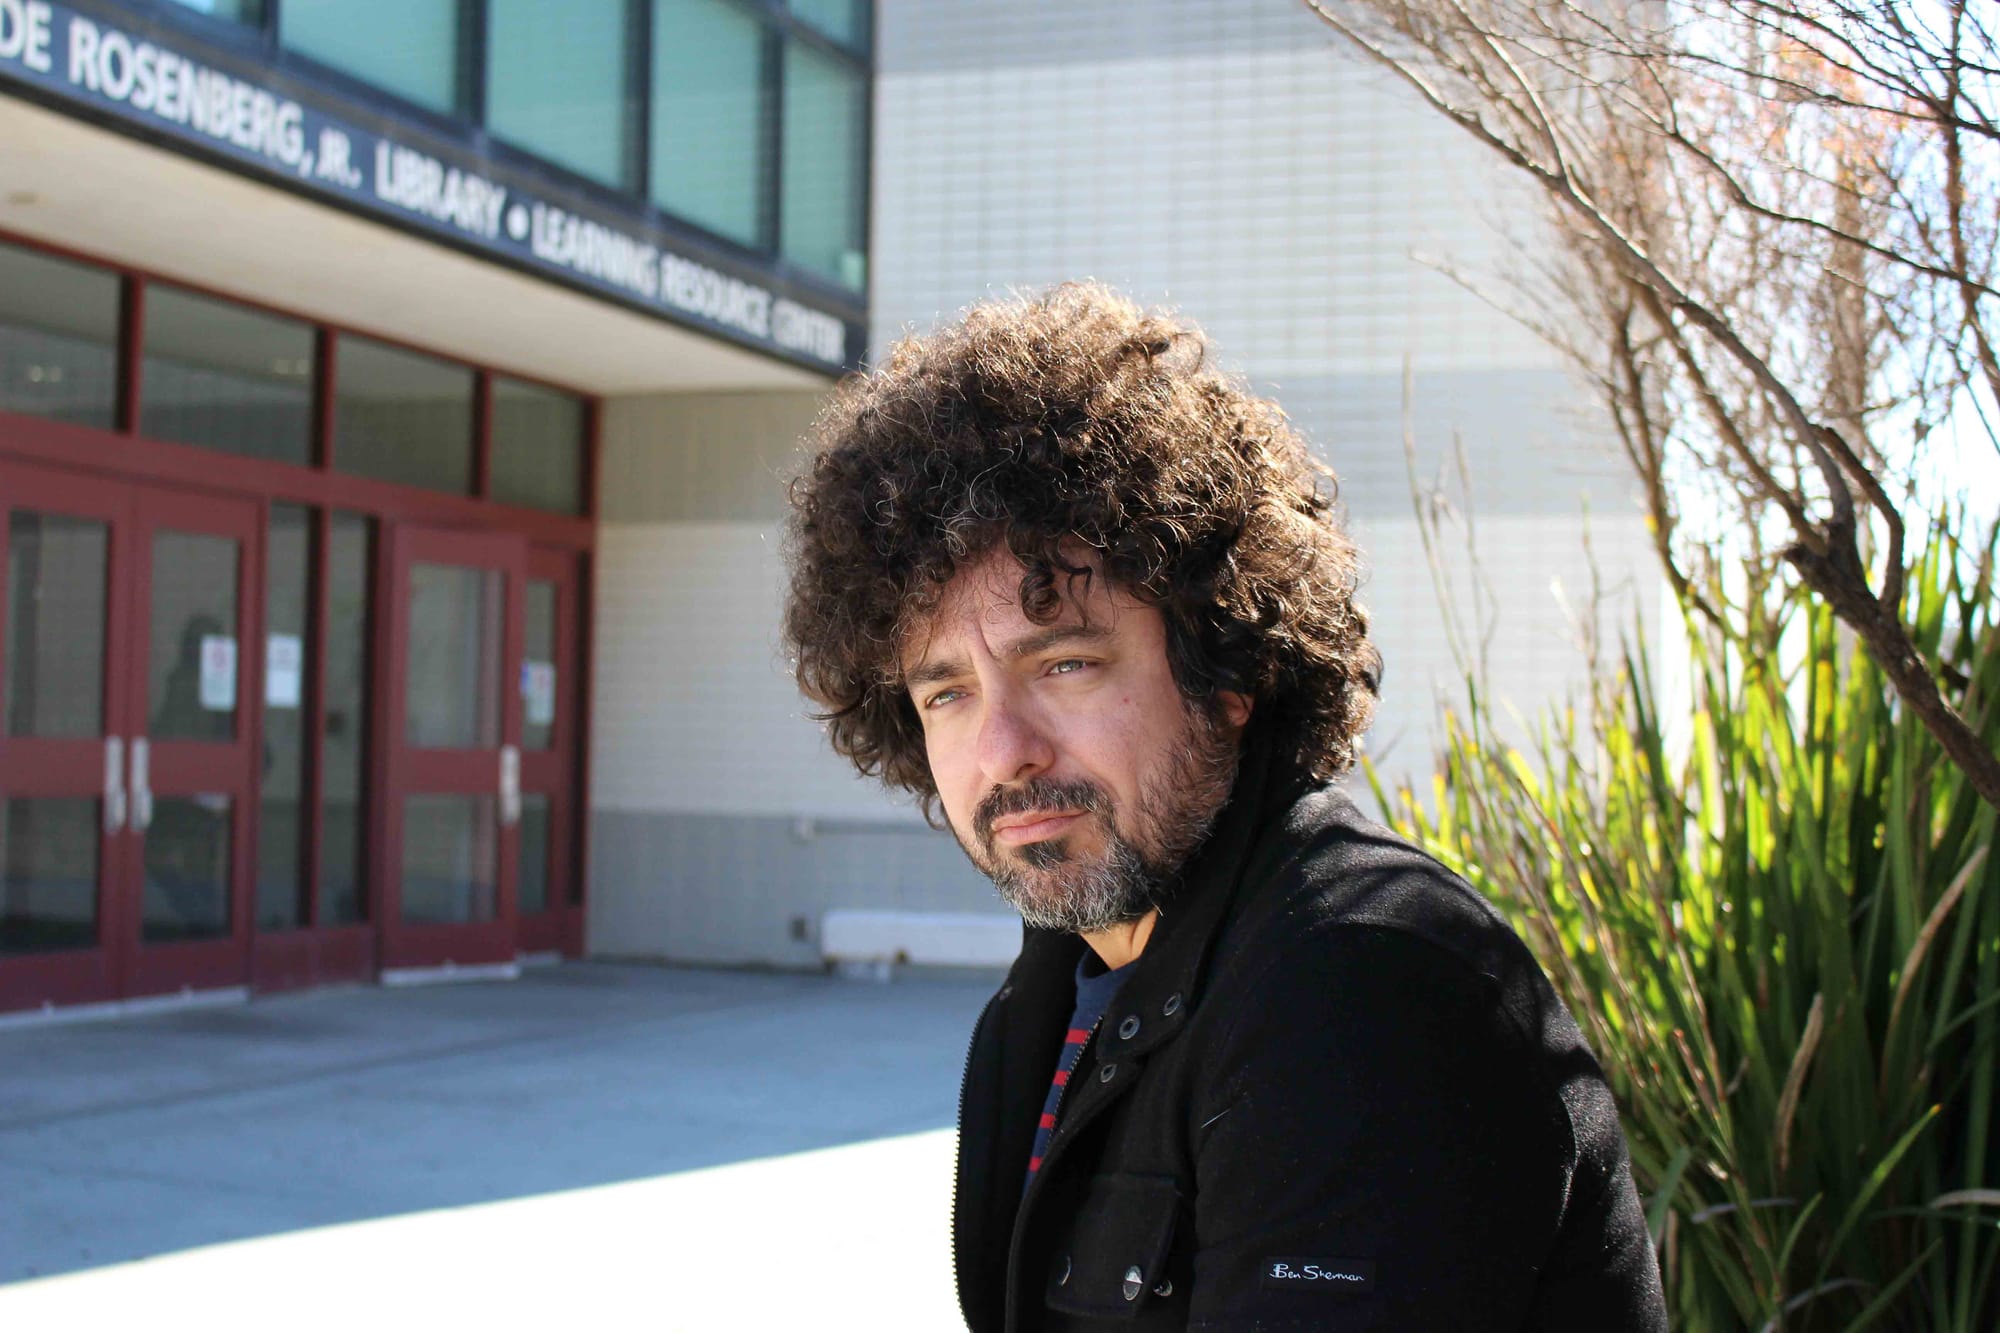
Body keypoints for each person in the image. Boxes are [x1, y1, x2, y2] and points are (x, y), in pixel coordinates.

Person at [782, 283, 1668, 1331]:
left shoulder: (1356, 989)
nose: (1003, 750)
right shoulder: (1053, 998)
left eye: (1064, 663)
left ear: (1228, 670)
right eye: (947, 692)